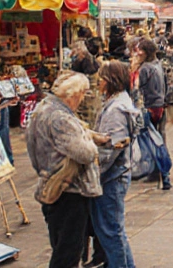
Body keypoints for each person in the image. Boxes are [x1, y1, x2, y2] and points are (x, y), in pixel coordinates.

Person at [26, 73, 100, 268]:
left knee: (61, 244)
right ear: (73, 94)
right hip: (68, 191)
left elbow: (31, 148)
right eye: (82, 93)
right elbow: (86, 153)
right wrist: (90, 141)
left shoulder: (43, 109)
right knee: (67, 252)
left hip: (51, 184)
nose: (83, 98)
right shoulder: (60, 118)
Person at [90, 62, 139, 268]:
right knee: (112, 230)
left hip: (112, 177)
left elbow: (111, 147)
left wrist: (93, 168)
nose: (98, 82)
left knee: (111, 231)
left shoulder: (116, 108)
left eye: (101, 78)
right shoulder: (117, 102)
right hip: (115, 175)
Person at [135, 41, 170, 189]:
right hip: (160, 105)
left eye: (140, 50)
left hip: (150, 107)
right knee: (159, 140)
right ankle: (163, 174)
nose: (137, 53)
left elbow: (136, 90)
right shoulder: (158, 64)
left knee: (151, 142)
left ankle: (157, 172)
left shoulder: (145, 68)